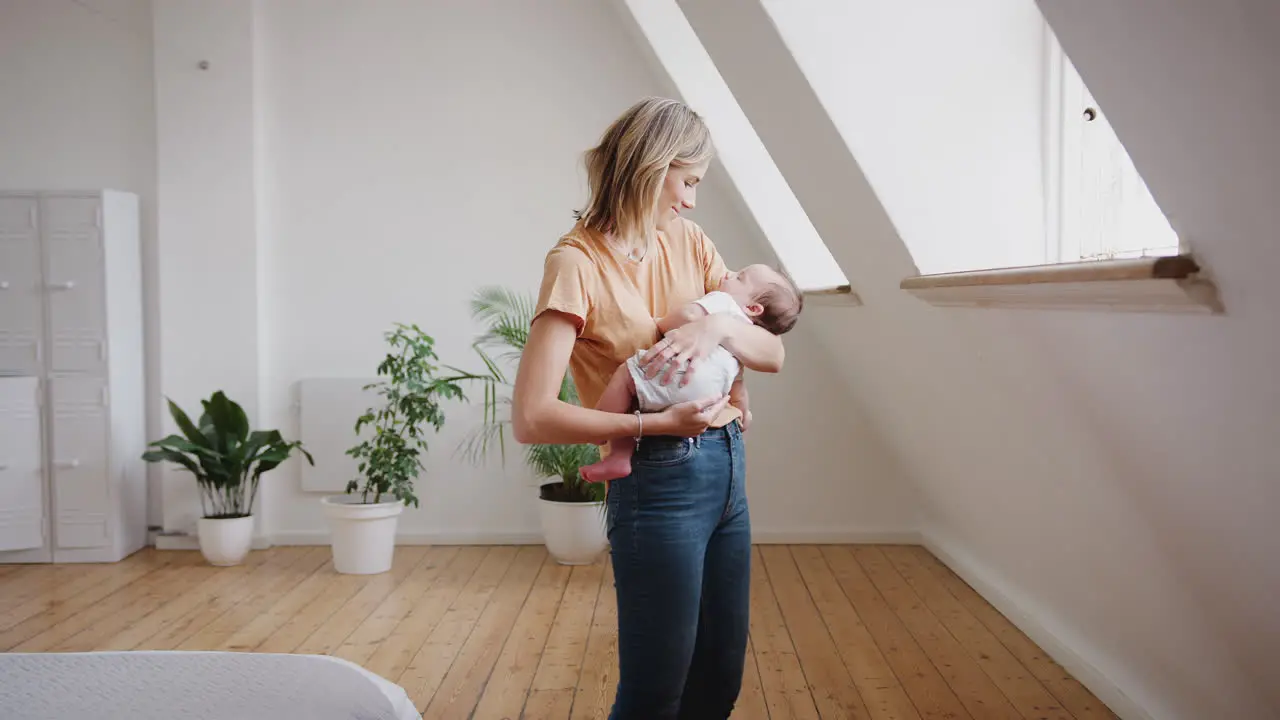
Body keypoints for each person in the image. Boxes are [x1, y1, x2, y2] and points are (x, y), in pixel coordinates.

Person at [512, 96, 790, 720]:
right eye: (687, 181)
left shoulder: (689, 241)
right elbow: (531, 417)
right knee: (655, 691)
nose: (691, 200)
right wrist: (653, 424)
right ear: (650, 166)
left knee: (719, 677)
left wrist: (714, 332)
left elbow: (772, 351)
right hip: (658, 484)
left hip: (727, 471)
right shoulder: (575, 264)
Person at [579, 264, 802, 483]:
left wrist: (661, 323)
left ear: (753, 308)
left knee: (626, 377)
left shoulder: (723, 302)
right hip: (706, 401)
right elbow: (738, 388)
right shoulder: (745, 338)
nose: (729, 273)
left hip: (676, 375)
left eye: (740, 277)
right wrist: (744, 414)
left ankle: (606, 436)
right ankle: (618, 454)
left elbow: (684, 316)